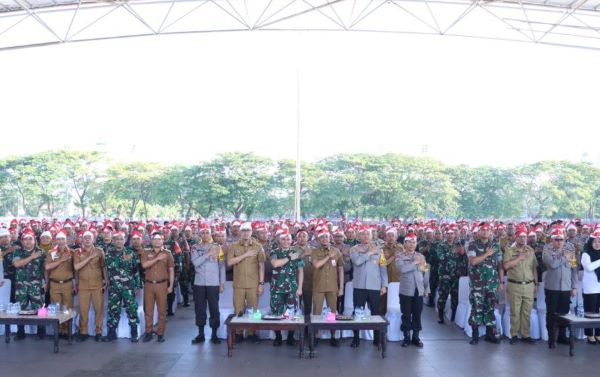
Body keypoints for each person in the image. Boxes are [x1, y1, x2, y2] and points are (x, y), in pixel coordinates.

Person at [226, 222, 265, 343]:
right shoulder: (234, 246)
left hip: (253, 284)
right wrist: (246, 255)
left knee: (254, 309)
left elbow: (261, 266)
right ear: (240, 232)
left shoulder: (258, 246)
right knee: (238, 309)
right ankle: (238, 333)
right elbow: (229, 262)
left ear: (252, 232)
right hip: (239, 284)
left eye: (248, 230)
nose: (246, 233)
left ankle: (252, 333)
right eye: (243, 231)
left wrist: (261, 283)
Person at [349, 227, 388, 348]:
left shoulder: (380, 251)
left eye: (368, 234)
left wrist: (384, 285)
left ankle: (377, 339)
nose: (365, 236)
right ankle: (356, 338)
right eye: (363, 234)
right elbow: (357, 261)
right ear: (359, 236)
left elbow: (383, 268)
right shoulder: (354, 249)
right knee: (358, 312)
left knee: (376, 313)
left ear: (372, 236)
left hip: (374, 286)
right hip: (359, 286)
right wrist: (369, 253)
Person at [467, 222, 503, 345]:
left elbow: (500, 265)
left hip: (492, 283)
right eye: (483, 230)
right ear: (478, 232)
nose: (485, 232)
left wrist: (501, 281)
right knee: (477, 308)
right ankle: (475, 335)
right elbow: (473, 261)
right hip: (478, 284)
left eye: (488, 230)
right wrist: (487, 254)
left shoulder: (495, 246)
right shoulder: (473, 246)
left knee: (490, 308)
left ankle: (490, 334)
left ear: (491, 232)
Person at [102, 231, 141, 343]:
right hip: (114, 286)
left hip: (128, 286)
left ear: (124, 241)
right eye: (116, 239)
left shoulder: (131, 253)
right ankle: (112, 333)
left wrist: (137, 285)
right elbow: (107, 267)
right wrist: (106, 280)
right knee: (113, 309)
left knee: (131, 308)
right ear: (113, 241)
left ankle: (134, 332)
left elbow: (135, 270)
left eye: (121, 239)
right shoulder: (109, 253)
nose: (119, 241)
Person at [190, 224, 225, 345]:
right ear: (200, 235)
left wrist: (222, 283)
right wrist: (208, 254)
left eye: (207, 232)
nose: (205, 235)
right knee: (199, 308)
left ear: (211, 234)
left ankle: (214, 334)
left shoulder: (217, 247)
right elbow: (195, 262)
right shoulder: (195, 247)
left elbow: (221, 266)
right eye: (203, 233)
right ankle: (201, 334)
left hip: (213, 283)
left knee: (214, 308)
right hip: (199, 282)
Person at [543, 228, 577, 348]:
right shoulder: (547, 249)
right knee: (551, 313)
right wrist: (564, 258)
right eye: (556, 239)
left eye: (561, 239)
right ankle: (552, 338)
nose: (559, 242)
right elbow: (552, 264)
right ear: (552, 240)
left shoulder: (570, 250)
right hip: (552, 287)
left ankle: (562, 336)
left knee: (564, 314)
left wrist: (574, 286)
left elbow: (573, 269)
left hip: (566, 288)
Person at [503, 226, 538, 344]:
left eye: (525, 236)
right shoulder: (509, 250)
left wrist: (536, 283)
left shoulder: (530, 250)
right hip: (514, 285)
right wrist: (519, 258)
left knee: (527, 312)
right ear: (515, 237)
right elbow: (506, 266)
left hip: (528, 285)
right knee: (515, 312)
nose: (523, 239)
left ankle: (525, 335)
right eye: (520, 236)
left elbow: (534, 268)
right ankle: (513, 335)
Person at [270, 232, 304, 346]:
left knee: (293, 313)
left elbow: (300, 271)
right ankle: (278, 337)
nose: (286, 241)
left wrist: (300, 288)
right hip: (277, 288)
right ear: (279, 241)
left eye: (288, 239)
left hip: (292, 288)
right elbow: (275, 264)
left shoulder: (296, 253)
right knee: (276, 313)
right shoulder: (274, 252)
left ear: (291, 240)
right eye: (283, 239)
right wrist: (289, 257)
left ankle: (290, 337)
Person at [312, 230, 344, 347]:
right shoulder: (315, 251)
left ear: (330, 238)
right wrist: (328, 257)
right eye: (322, 237)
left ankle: (333, 336)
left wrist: (341, 288)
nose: (324, 239)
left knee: (332, 312)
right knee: (317, 312)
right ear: (318, 240)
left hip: (332, 287)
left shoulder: (336, 251)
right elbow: (316, 265)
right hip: (318, 286)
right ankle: (316, 335)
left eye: (326, 237)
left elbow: (340, 269)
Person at [141, 233, 175, 343]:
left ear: (162, 240)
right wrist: (157, 259)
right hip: (149, 285)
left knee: (162, 311)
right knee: (148, 310)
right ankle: (148, 332)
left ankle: (160, 333)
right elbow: (144, 265)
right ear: (151, 241)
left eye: (159, 239)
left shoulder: (167, 254)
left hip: (162, 284)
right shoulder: (146, 252)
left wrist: (170, 285)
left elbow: (171, 270)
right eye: (155, 239)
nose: (157, 241)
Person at [13, 229, 46, 340]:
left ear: (34, 240)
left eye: (30, 238)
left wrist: (45, 282)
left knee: (40, 308)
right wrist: (32, 257)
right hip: (21, 285)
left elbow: (45, 269)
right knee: (20, 308)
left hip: (36, 285)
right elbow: (17, 264)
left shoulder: (41, 252)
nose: (27, 241)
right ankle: (20, 332)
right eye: (25, 239)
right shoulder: (18, 252)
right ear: (22, 241)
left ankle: (41, 332)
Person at [74, 230, 107, 342]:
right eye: (85, 237)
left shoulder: (99, 251)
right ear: (81, 239)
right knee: (83, 310)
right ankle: (83, 332)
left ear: (94, 239)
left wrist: (106, 279)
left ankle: (98, 331)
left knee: (99, 309)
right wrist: (89, 258)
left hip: (97, 284)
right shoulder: (77, 252)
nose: (87, 239)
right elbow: (76, 267)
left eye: (90, 237)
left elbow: (103, 266)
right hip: (83, 285)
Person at [44, 230, 74, 339]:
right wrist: (61, 260)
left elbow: (76, 269)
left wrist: (76, 283)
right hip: (54, 284)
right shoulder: (51, 252)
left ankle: (66, 330)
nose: (61, 241)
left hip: (68, 284)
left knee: (67, 308)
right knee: (56, 308)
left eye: (63, 239)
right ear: (55, 240)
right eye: (59, 239)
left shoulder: (72, 252)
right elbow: (47, 267)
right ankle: (59, 330)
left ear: (66, 240)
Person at [396, 232, 425, 348]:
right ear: (405, 243)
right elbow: (402, 269)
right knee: (406, 314)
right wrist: (415, 263)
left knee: (417, 314)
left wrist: (426, 288)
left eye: (414, 242)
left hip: (419, 289)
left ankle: (416, 337)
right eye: (409, 242)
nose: (412, 244)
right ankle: (406, 337)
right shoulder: (400, 256)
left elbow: (425, 272)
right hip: (406, 290)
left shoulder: (421, 256)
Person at [436, 229, 466, 324]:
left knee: (455, 297)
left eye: (451, 233)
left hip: (456, 275)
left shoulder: (458, 244)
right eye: (448, 234)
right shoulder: (441, 245)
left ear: (454, 234)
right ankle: (440, 315)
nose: (450, 235)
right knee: (443, 296)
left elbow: (463, 258)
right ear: (445, 235)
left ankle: (453, 315)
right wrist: (452, 252)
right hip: (445, 275)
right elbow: (440, 257)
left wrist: (462, 252)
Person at [581, 230, 600, 344]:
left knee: (599, 312)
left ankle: (598, 333)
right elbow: (589, 267)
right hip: (590, 288)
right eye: (595, 242)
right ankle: (589, 334)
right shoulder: (585, 254)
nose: (598, 244)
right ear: (591, 242)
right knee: (590, 311)